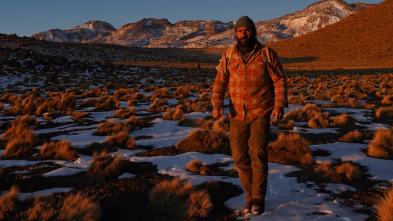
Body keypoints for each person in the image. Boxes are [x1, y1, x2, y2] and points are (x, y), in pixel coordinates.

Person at [211, 15, 287, 215]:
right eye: (239, 31)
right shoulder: (228, 55)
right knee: (239, 158)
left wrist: (279, 106)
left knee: (258, 156)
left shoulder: (266, 54)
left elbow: (279, 81)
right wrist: (217, 102)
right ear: (235, 33)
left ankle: (258, 200)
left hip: (260, 112)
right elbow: (220, 80)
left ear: (254, 32)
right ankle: (249, 196)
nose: (243, 34)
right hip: (237, 114)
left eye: (247, 30)